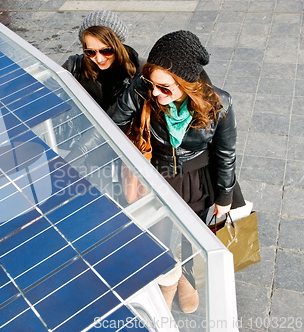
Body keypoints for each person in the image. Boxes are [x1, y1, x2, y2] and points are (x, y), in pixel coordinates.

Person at [108, 30, 245, 313]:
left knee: (194, 238)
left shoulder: (220, 103)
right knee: (156, 238)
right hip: (157, 176)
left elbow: (225, 153)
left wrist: (225, 195)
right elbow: (111, 124)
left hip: (197, 178)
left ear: (187, 83)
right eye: (152, 83)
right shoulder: (144, 90)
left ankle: (188, 279)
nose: (156, 93)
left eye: (165, 88)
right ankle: (170, 280)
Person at [60, 10, 140, 200]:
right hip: (89, 156)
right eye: (90, 52)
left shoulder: (135, 73)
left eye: (106, 50)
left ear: (118, 44)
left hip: (121, 154)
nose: (99, 58)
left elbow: (115, 120)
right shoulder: (74, 67)